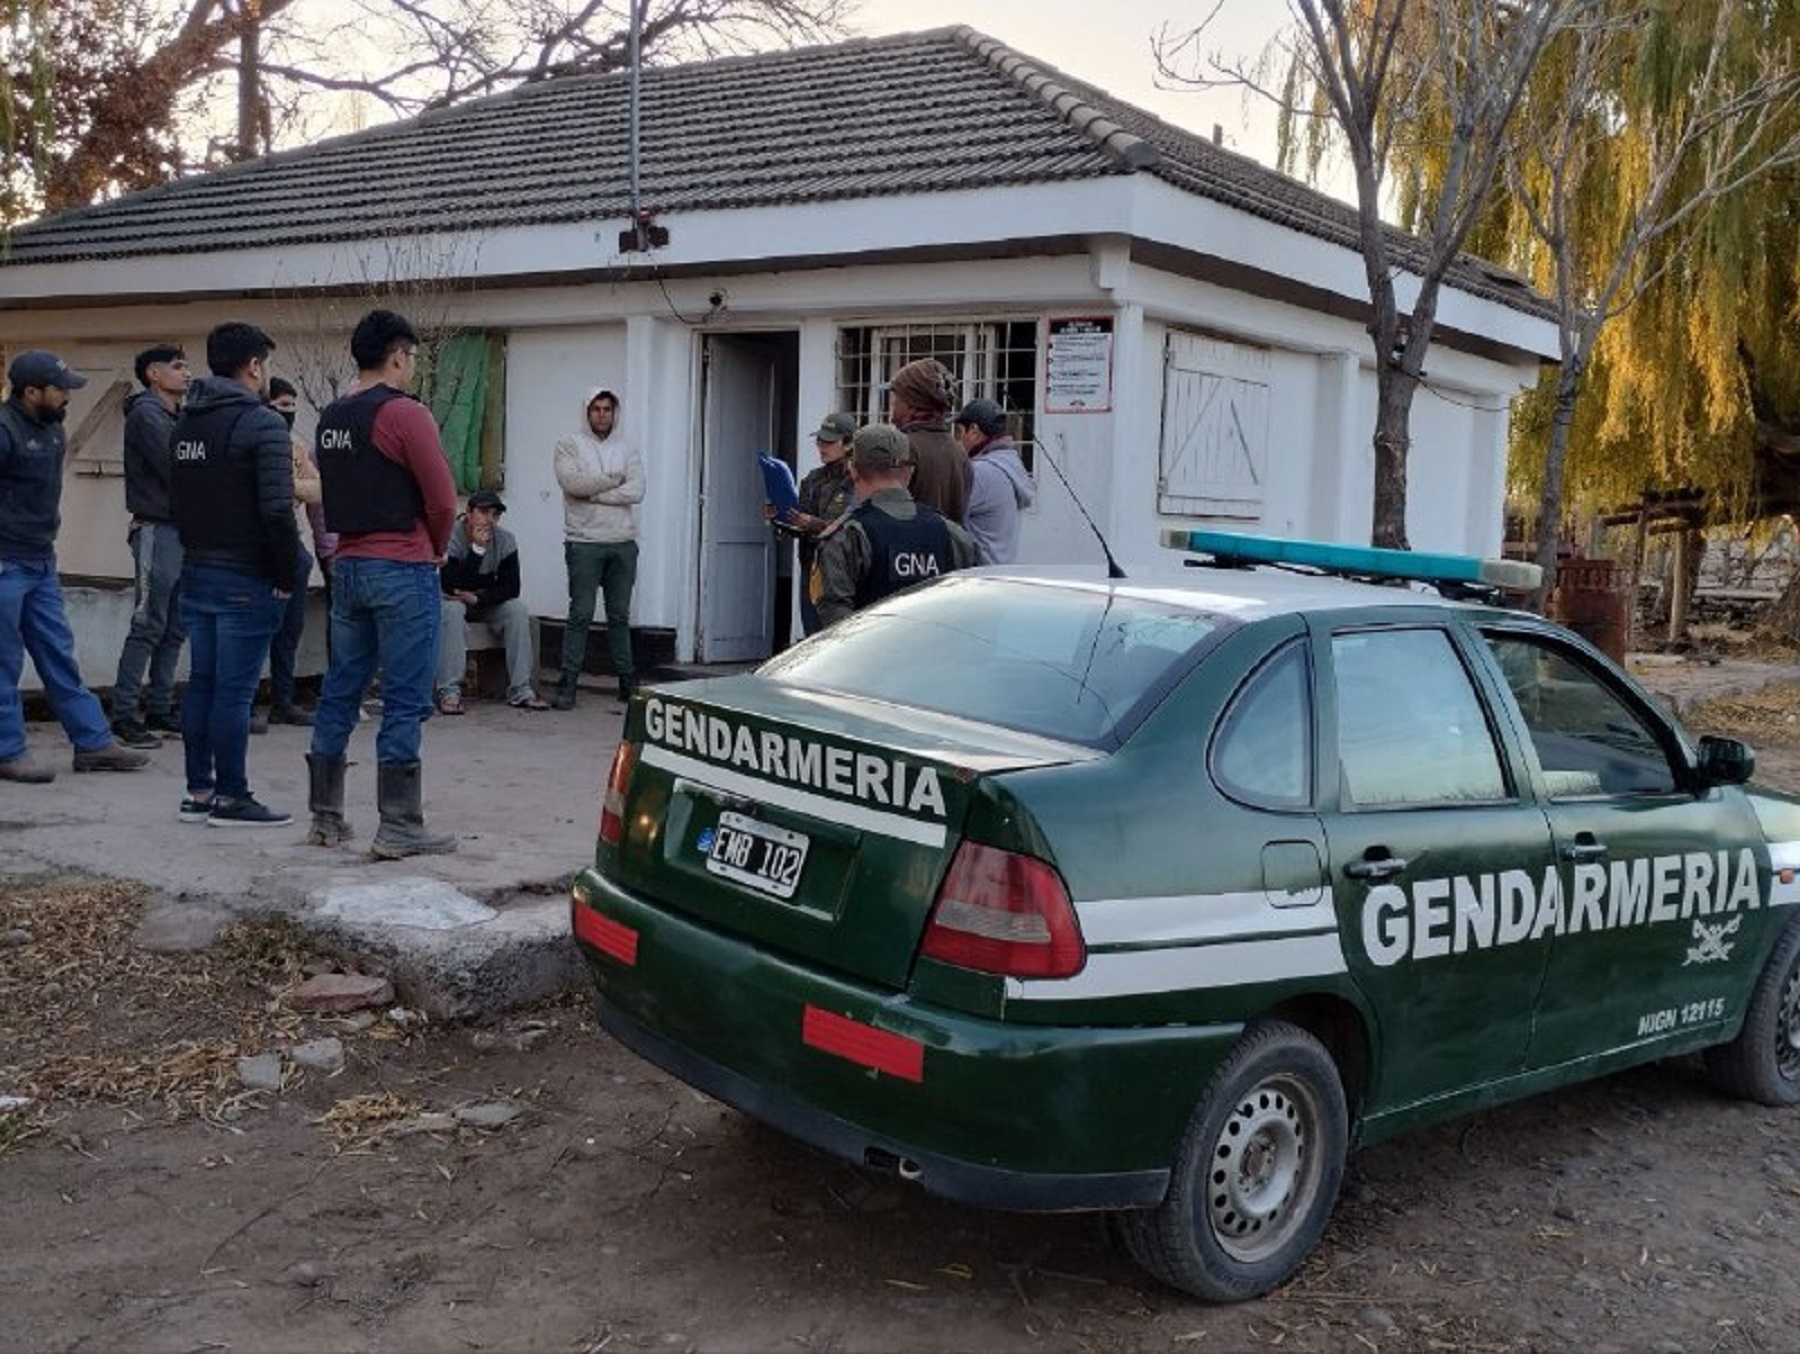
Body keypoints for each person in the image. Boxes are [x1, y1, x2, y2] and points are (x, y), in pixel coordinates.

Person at [306, 309, 458, 859]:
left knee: (341, 689)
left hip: (348, 566)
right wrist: (439, 547)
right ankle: (398, 825)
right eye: (412, 357)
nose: (412, 366)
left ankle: (325, 817)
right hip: (403, 566)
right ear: (398, 355)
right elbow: (442, 498)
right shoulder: (405, 415)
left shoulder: (331, 417)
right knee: (404, 698)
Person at [168, 322, 299, 826]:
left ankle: (198, 793)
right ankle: (232, 796)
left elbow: (176, 500)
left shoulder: (187, 422)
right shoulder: (262, 424)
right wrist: (287, 572)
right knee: (234, 692)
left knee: (203, 683)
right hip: (244, 577)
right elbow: (277, 511)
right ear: (254, 366)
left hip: (197, 569)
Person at [0, 351, 150, 783]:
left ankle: (92, 743)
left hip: (40, 560)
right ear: (32, 392)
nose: (68, 396)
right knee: (4, 660)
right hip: (6, 563)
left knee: (58, 653)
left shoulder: (53, 430)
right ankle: (7, 750)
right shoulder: (4, 430)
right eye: (60, 388)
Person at [809, 422, 975, 629]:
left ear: (853, 471)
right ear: (910, 471)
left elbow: (835, 625)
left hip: (872, 658)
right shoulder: (952, 534)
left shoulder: (847, 538)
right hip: (937, 656)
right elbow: (969, 613)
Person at [109, 343, 191, 748]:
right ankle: (124, 715)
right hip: (157, 530)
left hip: (181, 531)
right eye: (177, 367)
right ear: (153, 375)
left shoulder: (178, 415)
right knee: (147, 625)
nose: (186, 373)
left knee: (175, 627)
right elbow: (176, 466)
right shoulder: (147, 415)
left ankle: (160, 707)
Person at [553, 388, 644, 709]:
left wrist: (595, 490)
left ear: (614, 412)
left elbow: (637, 491)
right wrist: (612, 479)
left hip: (622, 542)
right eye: (596, 409)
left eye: (607, 409)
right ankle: (568, 683)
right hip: (584, 542)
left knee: (619, 615)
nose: (602, 414)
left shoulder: (627, 448)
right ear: (587, 412)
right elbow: (572, 484)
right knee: (581, 614)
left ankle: (627, 680)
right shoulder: (569, 444)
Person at [434, 490, 547, 713]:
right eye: (483, 512)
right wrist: (476, 550)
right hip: (451, 601)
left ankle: (521, 690)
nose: (489, 519)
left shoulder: (505, 540)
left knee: (517, 610)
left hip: (482, 602)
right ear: (468, 513)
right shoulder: (452, 536)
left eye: (495, 514)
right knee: (453, 610)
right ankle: (449, 692)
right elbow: (451, 584)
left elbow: (511, 587)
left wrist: (479, 597)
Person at [255, 377, 323, 728]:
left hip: (292, 543)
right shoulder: (252, 438)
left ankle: (283, 701)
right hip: (258, 544)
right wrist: (289, 490)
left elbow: (316, 489)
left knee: (289, 630)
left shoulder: (296, 446)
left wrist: (287, 486)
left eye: (293, 406)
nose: (290, 413)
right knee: (254, 629)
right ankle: (247, 706)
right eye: (282, 406)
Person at [953, 398, 1036, 565]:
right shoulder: (1008, 465)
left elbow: (948, 517)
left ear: (974, 431)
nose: (958, 441)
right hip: (998, 570)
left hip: (977, 576)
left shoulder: (981, 472)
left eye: (960, 432)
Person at [887, 358, 969, 524]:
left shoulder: (903, 447)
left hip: (905, 547)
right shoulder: (959, 452)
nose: (892, 404)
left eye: (896, 397)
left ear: (911, 403)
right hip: (946, 548)